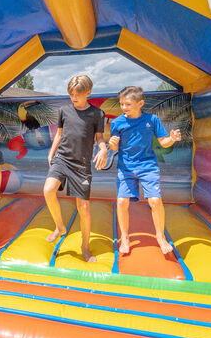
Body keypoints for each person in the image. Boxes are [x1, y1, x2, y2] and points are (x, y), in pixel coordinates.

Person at [108, 86, 182, 256]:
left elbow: (164, 142)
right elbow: (114, 146)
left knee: (155, 200)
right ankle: (125, 237)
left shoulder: (152, 120)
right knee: (122, 202)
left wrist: (172, 138)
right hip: (126, 168)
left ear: (140, 103)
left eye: (128, 104)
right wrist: (112, 143)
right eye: (122, 104)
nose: (124, 108)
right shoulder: (118, 123)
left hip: (148, 166)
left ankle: (160, 236)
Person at [43, 75, 108, 263]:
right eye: (71, 95)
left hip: (82, 164)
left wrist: (103, 149)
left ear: (88, 93)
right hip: (62, 158)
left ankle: (85, 247)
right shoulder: (64, 110)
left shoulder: (97, 114)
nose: (74, 98)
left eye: (77, 95)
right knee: (48, 190)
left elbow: (99, 138)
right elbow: (59, 135)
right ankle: (60, 227)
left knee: (84, 207)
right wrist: (51, 153)